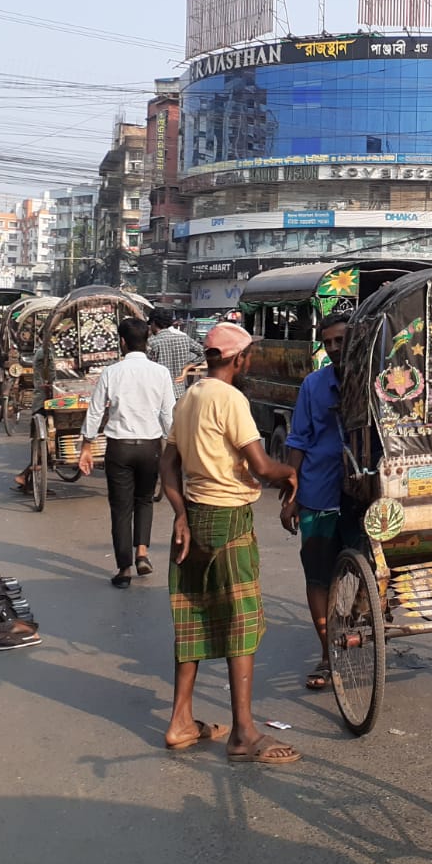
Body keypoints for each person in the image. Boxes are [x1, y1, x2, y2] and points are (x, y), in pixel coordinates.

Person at [158, 322, 299, 763]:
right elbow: (261, 466)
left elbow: (168, 465)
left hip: (194, 516)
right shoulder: (231, 399)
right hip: (229, 517)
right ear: (240, 359)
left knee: (193, 616)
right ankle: (243, 732)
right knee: (242, 622)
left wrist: (180, 513)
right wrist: (290, 473)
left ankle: (181, 721)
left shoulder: (189, 397)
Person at [280, 311, 359, 691]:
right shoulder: (313, 384)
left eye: (340, 341)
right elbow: (298, 437)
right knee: (318, 575)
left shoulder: (378, 380)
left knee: (375, 565)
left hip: (367, 491)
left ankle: (360, 614)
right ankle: (327, 655)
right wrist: (291, 492)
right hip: (319, 490)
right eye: (327, 343)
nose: (333, 348)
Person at [77, 317, 176, 588]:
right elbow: (168, 415)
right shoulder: (160, 373)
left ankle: (124, 569)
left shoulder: (112, 372)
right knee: (144, 500)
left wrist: (86, 446)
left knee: (121, 508)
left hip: (119, 447)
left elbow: (96, 411)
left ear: (122, 342)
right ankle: (141, 553)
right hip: (150, 446)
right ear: (147, 340)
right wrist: (174, 449)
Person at [147, 309, 204, 401]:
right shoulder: (184, 339)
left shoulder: (151, 342)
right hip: (179, 392)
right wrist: (187, 367)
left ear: (153, 323)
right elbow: (204, 352)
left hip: (159, 392)